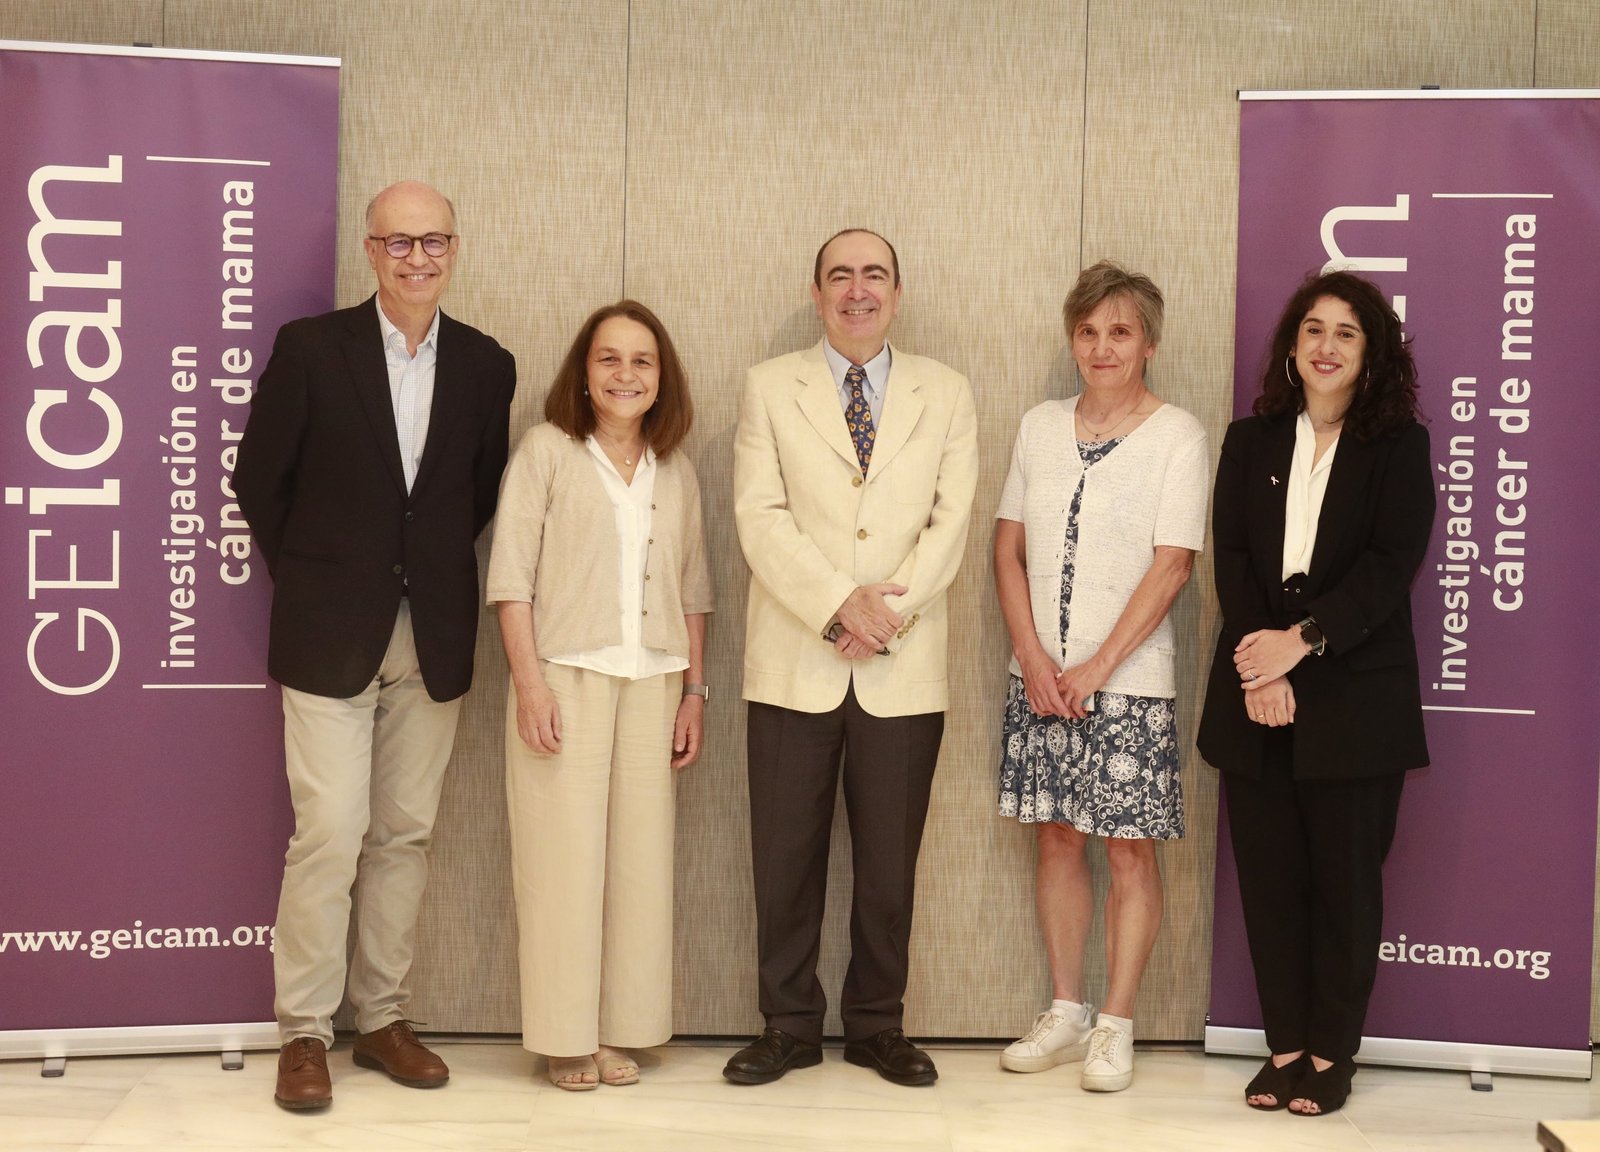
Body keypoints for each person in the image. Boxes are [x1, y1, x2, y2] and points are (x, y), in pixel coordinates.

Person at [235, 180, 516, 1110]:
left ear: (455, 248)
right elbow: (257, 482)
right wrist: (320, 575)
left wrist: (408, 574)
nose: (418, 259)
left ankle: (384, 1018)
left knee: (405, 834)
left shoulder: (487, 365)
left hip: (429, 633)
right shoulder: (311, 349)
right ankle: (305, 1033)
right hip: (327, 632)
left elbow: (473, 499)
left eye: (434, 241)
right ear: (370, 251)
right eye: (400, 244)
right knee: (330, 833)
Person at [724, 228, 978, 1088]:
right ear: (817, 289)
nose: (858, 289)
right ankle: (787, 1023)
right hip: (794, 657)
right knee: (785, 859)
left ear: (897, 293)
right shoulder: (768, 387)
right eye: (841, 275)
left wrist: (880, 619)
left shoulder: (947, 392)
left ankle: (878, 1024)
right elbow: (760, 517)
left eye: (875, 275)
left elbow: (950, 525)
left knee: (888, 866)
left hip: (902, 669)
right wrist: (839, 604)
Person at [1197, 270, 1434, 1117]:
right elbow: (1231, 559)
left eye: (1346, 333)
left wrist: (1301, 644)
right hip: (1255, 697)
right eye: (1312, 331)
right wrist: (1261, 668)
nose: (1326, 347)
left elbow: (1388, 566)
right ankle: (1284, 1046)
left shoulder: (1399, 445)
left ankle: (1332, 1052)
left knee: (1344, 885)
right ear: (1291, 349)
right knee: (1270, 883)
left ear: (1370, 356)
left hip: (1353, 699)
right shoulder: (1250, 439)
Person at [992, 261, 1207, 1093]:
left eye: (1119, 331)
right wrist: (1037, 662)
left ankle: (1115, 1025)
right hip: (1041, 678)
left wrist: (1095, 668)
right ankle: (1066, 1009)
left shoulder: (1177, 434)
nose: (1101, 346)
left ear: (1148, 342)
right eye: (1088, 331)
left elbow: (1174, 565)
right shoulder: (1039, 426)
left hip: (1129, 680)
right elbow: (1006, 550)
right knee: (1055, 836)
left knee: (1126, 852)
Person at [486, 300, 711, 1090]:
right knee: (562, 865)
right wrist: (529, 684)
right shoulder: (547, 451)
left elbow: (695, 591)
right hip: (566, 680)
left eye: (641, 361)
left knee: (639, 870)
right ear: (584, 373)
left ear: (661, 377)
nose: (625, 374)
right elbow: (510, 578)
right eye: (609, 359)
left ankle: (622, 1028)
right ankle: (565, 1036)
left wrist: (695, 693)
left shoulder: (674, 468)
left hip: (653, 681)